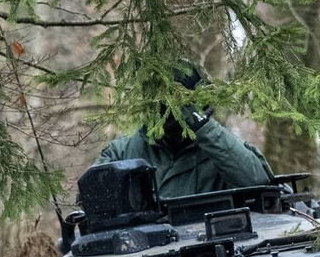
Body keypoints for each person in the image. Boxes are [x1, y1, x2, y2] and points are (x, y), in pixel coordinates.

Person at [97, 65, 275, 198]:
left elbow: (258, 183)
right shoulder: (124, 151)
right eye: (162, 104)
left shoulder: (219, 145)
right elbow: (95, 196)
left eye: (180, 105)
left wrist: (205, 129)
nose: (170, 112)